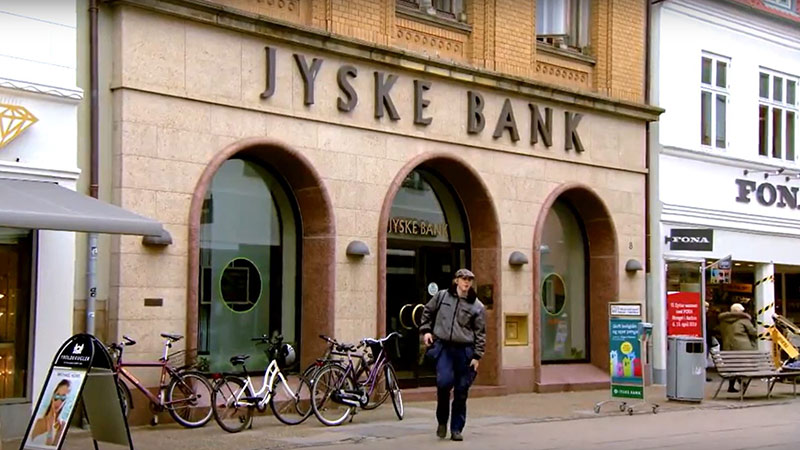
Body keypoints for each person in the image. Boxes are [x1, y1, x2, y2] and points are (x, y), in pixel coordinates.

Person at [419, 268, 486, 442]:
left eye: (469, 280)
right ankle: (442, 421)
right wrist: (426, 331)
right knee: (443, 383)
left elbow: (480, 333)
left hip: (465, 350)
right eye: (463, 279)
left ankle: (456, 429)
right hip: (444, 348)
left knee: (461, 391)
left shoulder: (477, 306)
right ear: (456, 280)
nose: (466, 282)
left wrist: (477, 356)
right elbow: (427, 311)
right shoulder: (442, 296)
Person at [718, 303, 757, 392]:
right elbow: (753, 332)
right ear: (739, 311)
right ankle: (742, 382)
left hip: (728, 347)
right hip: (742, 347)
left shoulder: (723, 321)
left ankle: (731, 386)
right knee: (742, 366)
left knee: (732, 366)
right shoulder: (744, 320)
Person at [31, 379, 71, 446]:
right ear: (52, 397)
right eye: (57, 396)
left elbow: (52, 445)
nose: (58, 401)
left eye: (63, 398)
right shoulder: (39, 421)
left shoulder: (61, 425)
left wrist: (50, 429)